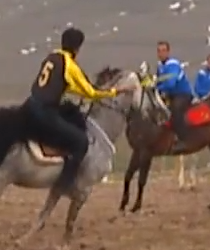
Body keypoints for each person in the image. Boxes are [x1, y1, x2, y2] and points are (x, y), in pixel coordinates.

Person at [26, 27, 133, 193]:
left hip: (31, 103)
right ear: (77, 48)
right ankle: (65, 182)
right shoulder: (71, 66)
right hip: (45, 111)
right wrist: (115, 91)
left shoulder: (52, 56)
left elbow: (61, 84)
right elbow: (91, 92)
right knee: (81, 142)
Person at [152, 41, 188, 110]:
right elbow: (158, 80)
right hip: (169, 95)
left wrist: (157, 88)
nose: (161, 53)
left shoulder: (173, 65)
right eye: (159, 51)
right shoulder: (160, 65)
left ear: (168, 52)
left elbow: (170, 84)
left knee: (175, 109)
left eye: (163, 51)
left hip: (181, 94)